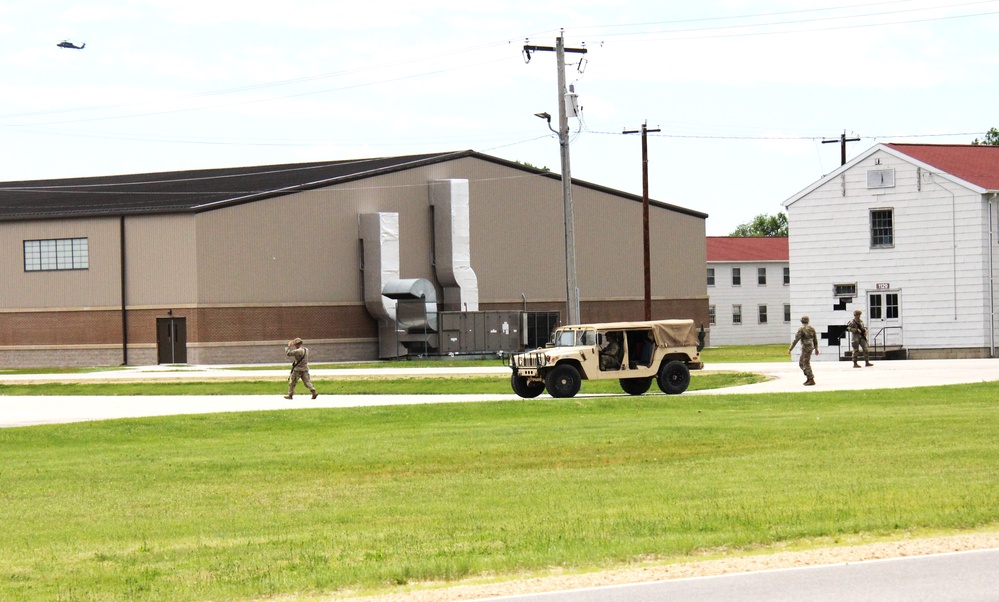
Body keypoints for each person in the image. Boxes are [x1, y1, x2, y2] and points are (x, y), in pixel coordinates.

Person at [788, 316, 819, 386]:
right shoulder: (812, 329)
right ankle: (809, 377)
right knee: (802, 363)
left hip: (805, 347)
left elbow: (796, 339)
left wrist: (790, 349)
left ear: (802, 321)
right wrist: (816, 348)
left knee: (804, 363)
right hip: (811, 347)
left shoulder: (801, 329)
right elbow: (815, 339)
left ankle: (811, 379)